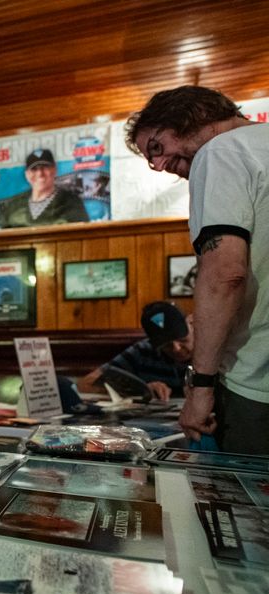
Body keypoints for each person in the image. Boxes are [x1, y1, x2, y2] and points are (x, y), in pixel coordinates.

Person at [126, 85, 268, 453]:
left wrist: (201, 386)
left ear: (188, 118)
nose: (158, 166)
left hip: (256, 386)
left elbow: (225, 274)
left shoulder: (219, 152)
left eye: (156, 147)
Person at [76, 301, 192, 400]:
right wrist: (141, 390)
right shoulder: (142, 351)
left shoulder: (209, 352)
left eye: (183, 339)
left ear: (192, 323)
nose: (176, 348)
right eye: (166, 345)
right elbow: (84, 384)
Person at [0, 148, 90, 227]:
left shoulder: (72, 203)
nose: (40, 173)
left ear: (54, 169)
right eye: (34, 169)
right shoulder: (14, 206)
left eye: (45, 167)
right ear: (26, 174)